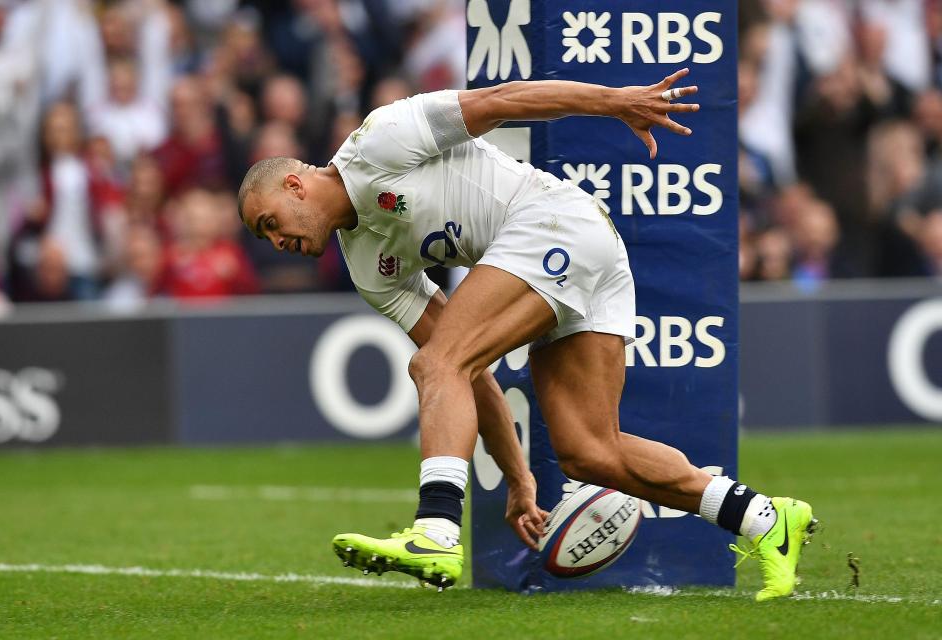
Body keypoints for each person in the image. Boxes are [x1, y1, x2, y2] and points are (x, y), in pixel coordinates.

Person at [236, 69, 817, 601]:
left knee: (435, 363)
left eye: (270, 224)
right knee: (590, 453)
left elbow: (501, 101)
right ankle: (766, 518)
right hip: (583, 258)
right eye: (264, 239)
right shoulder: (369, 267)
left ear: (295, 184)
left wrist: (613, 103)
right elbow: (469, 375)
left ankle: (436, 530)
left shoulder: (379, 139)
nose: (276, 241)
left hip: (555, 223)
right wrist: (519, 479)